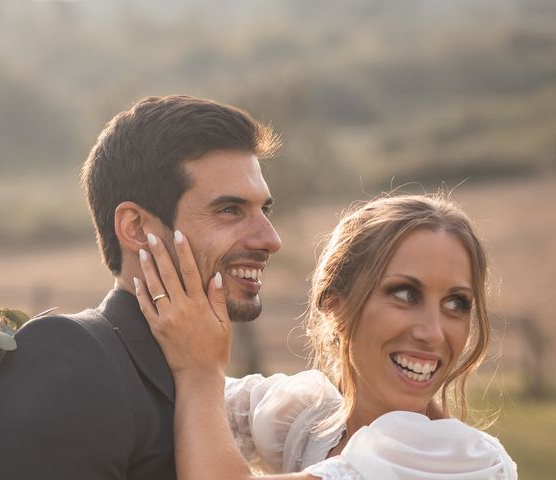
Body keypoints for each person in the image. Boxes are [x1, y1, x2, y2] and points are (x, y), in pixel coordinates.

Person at [0, 95, 282, 479]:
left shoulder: (199, 375)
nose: (270, 239)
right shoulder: (68, 357)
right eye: (230, 210)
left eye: (263, 210)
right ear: (136, 228)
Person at [135, 193, 518, 479]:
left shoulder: (454, 461)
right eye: (405, 295)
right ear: (336, 306)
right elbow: (199, 406)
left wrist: (200, 371)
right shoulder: (312, 417)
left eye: (456, 304)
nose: (433, 333)